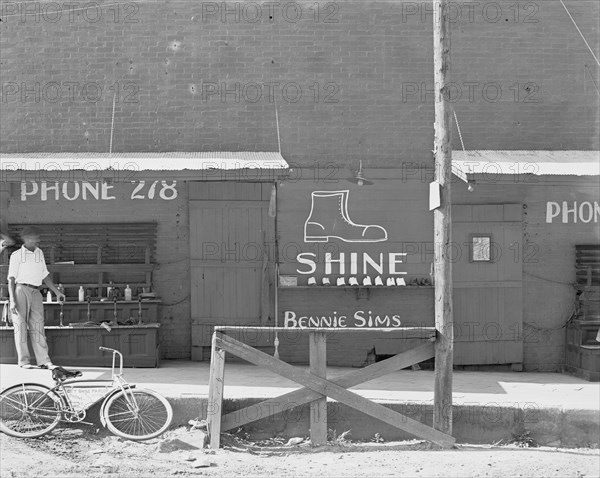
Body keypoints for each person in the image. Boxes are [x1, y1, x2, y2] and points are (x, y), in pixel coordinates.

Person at [7, 226, 65, 369]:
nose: (38, 240)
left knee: (38, 325)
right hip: (21, 289)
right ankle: (24, 361)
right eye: (35, 238)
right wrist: (12, 300)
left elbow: (45, 275)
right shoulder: (16, 255)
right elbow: (11, 279)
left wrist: (57, 292)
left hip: (36, 291)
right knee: (20, 326)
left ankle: (44, 361)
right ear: (26, 239)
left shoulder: (39, 253)